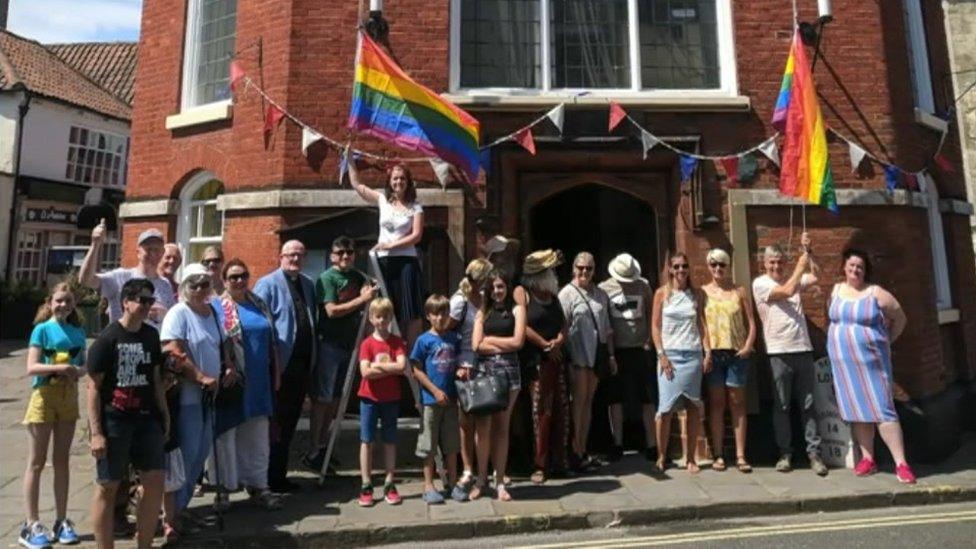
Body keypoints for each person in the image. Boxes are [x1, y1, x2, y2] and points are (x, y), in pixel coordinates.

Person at [86, 279, 168, 549]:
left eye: (150, 300)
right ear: (126, 302)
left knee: (154, 481)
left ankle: (145, 544)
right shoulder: (107, 339)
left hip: (146, 419)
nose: (147, 306)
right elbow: (93, 388)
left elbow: (156, 379)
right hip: (115, 419)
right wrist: (96, 432)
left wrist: (164, 414)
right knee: (107, 486)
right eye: (142, 300)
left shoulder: (151, 335)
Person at [826, 249, 915, 483]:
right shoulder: (836, 291)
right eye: (852, 265)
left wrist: (886, 340)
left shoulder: (875, 293)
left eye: (860, 267)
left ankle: (901, 463)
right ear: (844, 267)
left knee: (883, 409)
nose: (855, 270)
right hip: (845, 366)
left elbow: (900, 319)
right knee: (858, 411)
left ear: (865, 271)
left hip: (873, 364)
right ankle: (868, 459)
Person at [751, 233, 828, 476]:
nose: (776, 266)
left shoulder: (792, 277)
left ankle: (814, 454)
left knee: (808, 405)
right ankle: (785, 454)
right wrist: (798, 267)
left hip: (803, 350)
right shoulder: (761, 284)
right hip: (778, 353)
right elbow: (785, 291)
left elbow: (817, 276)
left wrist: (809, 253)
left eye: (780, 262)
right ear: (765, 264)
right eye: (772, 262)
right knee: (782, 405)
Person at [211, 259, 283, 510]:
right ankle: (225, 489)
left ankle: (259, 484)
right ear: (224, 280)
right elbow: (216, 342)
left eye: (243, 275)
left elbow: (271, 339)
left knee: (258, 435)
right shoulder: (218, 307)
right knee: (228, 435)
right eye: (233, 277)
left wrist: (276, 373)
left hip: (260, 380)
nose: (239, 281)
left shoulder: (259, 303)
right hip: (234, 381)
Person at [19, 283, 87, 548]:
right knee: (36, 462)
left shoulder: (78, 331)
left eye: (68, 301)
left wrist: (77, 371)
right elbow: (31, 367)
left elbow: (84, 365)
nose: (63, 305)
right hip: (44, 397)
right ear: (50, 302)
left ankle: (61, 519)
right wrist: (60, 368)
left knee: (62, 461)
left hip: (68, 399)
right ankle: (31, 523)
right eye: (59, 300)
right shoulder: (42, 329)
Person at [160, 263, 225, 515]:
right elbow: (172, 351)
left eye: (204, 284)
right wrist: (200, 376)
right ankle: (172, 513)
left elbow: (220, 344)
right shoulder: (179, 312)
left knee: (201, 454)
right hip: (187, 394)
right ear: (185, 287)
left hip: (210, 393)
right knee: (187, 454)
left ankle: (182, 508)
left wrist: (227, 366)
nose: (199, 289)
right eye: (193, 284)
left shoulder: (211, 311)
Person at [306, 236, 376, 473]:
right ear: (332, 255)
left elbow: (368, 301)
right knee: (323, 399)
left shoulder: (357, 277)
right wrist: (361, 299)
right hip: (330, 345)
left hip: (350, 345)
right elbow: (332, 311)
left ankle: (325, 446)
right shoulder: (327, 278)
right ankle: (314, 448)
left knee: (337, 400)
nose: (345, 256)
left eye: (349, 252)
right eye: (340, 253)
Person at [253, 240, 318, 492]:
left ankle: (279, 476)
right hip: (280, 366)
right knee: (274, 424)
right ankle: (265, 478)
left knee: (289, 421)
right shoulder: (267, 284)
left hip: (302, 365)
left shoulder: (308, 284)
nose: (295, 259)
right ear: (280, 256)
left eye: (300, 255)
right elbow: (260, 325)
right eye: (291, 255)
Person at [350, 160, 426, 346]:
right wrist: (350, 160)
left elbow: (416, 236)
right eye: (395, 178)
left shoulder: (415, 207)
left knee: (411, 311)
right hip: (383, 262)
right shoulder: (382, 201)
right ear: (389, 181)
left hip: (406, 262)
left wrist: (390, 245)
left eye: (402, 178)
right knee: (384, 307)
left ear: (408, 182)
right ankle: (386, 349)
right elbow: (356, 185)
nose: (398, 182)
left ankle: (411, 358)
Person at [651, 253, 711, 474]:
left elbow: (701, 323)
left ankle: (691, 458)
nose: (680, 270)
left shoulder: (696, 294)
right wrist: (661, 355)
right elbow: (655, 327)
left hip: (692, 353)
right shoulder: (661, 294)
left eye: (684, 266)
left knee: (693, 406)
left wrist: (707, 351)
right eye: (676, 266)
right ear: (670, 269)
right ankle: (661, 456)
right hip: (670, 355)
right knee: (665, 409)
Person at [470, 270, 526, 501]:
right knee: (483, 427)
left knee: (502, 427)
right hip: (484, 373)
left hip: (509, 374)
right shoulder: (483, 311)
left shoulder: (517, 309)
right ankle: (481, 479)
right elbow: (475, 345)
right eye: (493, 288)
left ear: (508, 287)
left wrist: (490, 341)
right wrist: (500, 344)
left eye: (501, 287)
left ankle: (500, 481)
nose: (497, 292)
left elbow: (518, 341)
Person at [599, 253, 658, 462]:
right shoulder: (605, 288)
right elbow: (605, 322)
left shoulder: (643, 287)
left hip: (640, 348)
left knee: (646, 396)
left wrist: (650, 340)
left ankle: (652, 443)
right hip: (618, 350)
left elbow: (653, 314)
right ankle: (617, 443)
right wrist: (611, 353)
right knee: (616, 397)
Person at [558, 252, 614, 472]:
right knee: (577, 402)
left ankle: (582, 448)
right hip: (578, 355)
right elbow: (562, 327)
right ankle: (574, 450)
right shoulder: (567, 294)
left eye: (589, 269)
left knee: (588, 402)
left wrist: (610, 355)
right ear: (573, 269)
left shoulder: (600, 294)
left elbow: (607, 329)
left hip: (596, 356)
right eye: (580, 268)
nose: (584, 272)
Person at [702, 248, 756, 473]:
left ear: (728, 266)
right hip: (714, 352)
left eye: (722, 265)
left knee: (737, 403)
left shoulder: (739, 291)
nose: (718, 269)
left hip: (736, 353)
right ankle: (719, 454)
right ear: (708, 267)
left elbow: (751, 322)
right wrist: (706, 351)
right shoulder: (703, 292)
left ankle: (741, 454)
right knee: (716, 404)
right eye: (713, 265)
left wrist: (747, 346)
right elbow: (701, 324)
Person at [521, 250, 569, 485]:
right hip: (536, 363)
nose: (553, 275)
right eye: (549, 271)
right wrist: (544, 345)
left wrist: (559, 341)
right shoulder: (524, 295)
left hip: (556, 361)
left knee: (560, 410)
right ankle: (539, 464)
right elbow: (522, 326)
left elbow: (563, 323)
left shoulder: (554, 297)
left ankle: (560, 461)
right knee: (539, 413)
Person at [410, 295, 462, 505]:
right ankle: (428, 485)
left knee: (451, 444)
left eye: (444, 313)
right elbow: (416, 370)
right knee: (428, 444)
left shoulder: (453, 338)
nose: (441, 318)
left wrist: (460, 373)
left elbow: (457, 363)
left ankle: (452, 482)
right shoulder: (423, 340)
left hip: (451, 400)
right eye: (436, 314)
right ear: (429, 316)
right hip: (431, 401)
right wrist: (434, 391)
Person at [357, 298, 408, 507]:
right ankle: (366, 483)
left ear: (390, 318)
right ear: (371, 318)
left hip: (390, 398)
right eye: (378, 316)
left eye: (386, 316)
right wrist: (390, 367)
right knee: (367, 440)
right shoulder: (367, 344)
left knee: (389, 439)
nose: (382, 320)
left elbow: (402, 367)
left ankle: (389, 481)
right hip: (369, 398)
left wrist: (378, 368)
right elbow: (365, 372)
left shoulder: (396, 342)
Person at [78, 221, 176, 328]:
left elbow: (174, 322)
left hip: (153, 343)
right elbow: (85, 280)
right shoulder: (120, 277)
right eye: (148, 249)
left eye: (157, 250)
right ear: (138, 252)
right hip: (122, 342)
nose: (153, 253)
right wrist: (95, 244)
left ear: (162, 253)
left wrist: (165, 315)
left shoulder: (165, 285)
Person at [449, 258, 492, 498]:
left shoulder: (487, 299)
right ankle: (467, 470)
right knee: (466, 423)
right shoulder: (459, 302)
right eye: (484, 279)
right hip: (464, 367)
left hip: (486, 365)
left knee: (484, 424)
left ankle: (484, 473)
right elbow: (446, 333)